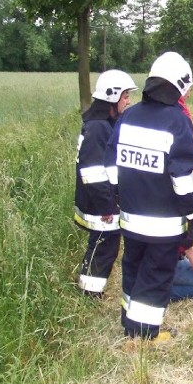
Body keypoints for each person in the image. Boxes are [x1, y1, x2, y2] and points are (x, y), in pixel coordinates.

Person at [106, 51, 193, 340]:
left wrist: (117, 195)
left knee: (133, 268)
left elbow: (111, 163)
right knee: (156, 275)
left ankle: (129, 323)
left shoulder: (129, 116)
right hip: (164, 224)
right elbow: (183, 179)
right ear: (178, 86)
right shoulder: (177, 121)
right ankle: (146, 334)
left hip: (130, 218)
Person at [73, 69, 138, 297]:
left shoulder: (102, 123)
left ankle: (89, 290)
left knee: (103, 245)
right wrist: (107, 206)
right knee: (103, 247)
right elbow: (92, 173)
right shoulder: (99, 127)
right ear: (112, 96)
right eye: (125, 96)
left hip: (103, 199)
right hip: (99, 202)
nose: (128, 101)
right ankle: (89, 293)